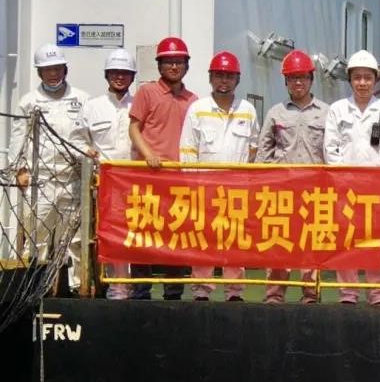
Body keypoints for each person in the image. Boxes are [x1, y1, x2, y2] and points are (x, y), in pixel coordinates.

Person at [10, 44, 92, 296]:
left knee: (75, 240)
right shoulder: (28, 101)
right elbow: (18, 138)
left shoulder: (83, 99)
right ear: (39, 73)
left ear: (65, 69)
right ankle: (34, 289)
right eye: (47, 70)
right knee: (37, 237)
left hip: (74, 179)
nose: (53, 74)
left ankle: (78, 289)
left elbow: (89, 137)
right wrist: (19, 170)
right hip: (41, 181)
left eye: (57, 68)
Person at [178, 51, 259, 302]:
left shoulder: (247, 110)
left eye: (229, 76)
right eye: (219, 75)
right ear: (210, 78)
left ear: (238, 79)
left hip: (237, 190)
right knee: (203, 240)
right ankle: (201, 290)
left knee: (235, 241)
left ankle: (234, 291)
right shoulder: (198, 109)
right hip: (204, 189)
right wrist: (192, 188)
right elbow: (188, 150)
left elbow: (254, 147)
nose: (224, 80)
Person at [324, 50, 380, 306]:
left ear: (375, 79)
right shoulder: (337, 109)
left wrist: (378, 179)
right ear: (350, 80)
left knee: (375, 241)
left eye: (368, 77)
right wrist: (343, 179)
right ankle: (348, 293)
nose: (362, 83)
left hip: (376, 189)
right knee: (347, 241)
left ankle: (378, 293)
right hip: (344, 188)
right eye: (357, 78)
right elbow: (330, 148)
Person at [256, 50, 328, 304]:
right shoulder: (275, 113)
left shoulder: (327, 113)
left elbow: (332, 152)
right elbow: (264, 151)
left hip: (314, 191)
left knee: (311, 244)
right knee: (279, 242)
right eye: (293, 78)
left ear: (311, 80)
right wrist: (261, 184)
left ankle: (310, 294)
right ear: (285, 81)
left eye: (303, 77)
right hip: (281, 191)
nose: (298, 82)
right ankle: (275, 294)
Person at [128, 37, 199, 300]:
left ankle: (173, 292)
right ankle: (141, 291)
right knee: (143, 234)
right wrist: (148, 155)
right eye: (168, 61)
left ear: (186, 65)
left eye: (179, 61)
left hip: (180, 180)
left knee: (175, 236)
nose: (174, 66)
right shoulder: (146, 92)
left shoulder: (194, 100)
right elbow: (134, 128)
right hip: (148, 177)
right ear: (159, 65)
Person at [83, 49, 138, 299]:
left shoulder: (139, 105)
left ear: (132, 76)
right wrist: (87, 151)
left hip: (134, 182)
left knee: (129, 234)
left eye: (125, 73)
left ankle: (124, 286)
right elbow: (79, 139)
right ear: (107, 75)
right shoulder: (92, 106)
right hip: (101, 182)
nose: (120, 77)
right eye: (115, 72)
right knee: (101, 235)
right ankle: (98, 284)